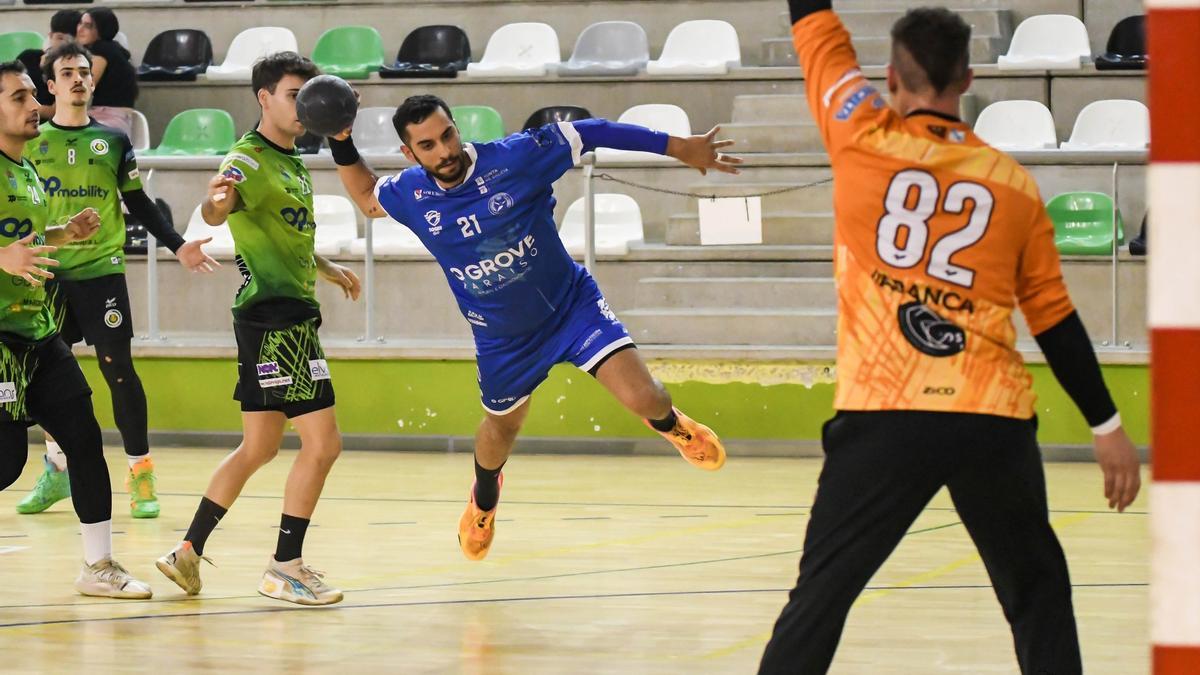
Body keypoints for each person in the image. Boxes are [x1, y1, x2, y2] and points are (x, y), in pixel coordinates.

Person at [757, 3, 1143, 674]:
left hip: (884, 412)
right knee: (1038, 593)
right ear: (967, 79)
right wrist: (1105, 422)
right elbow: (1053, 317)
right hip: (988, 415)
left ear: (890, 78)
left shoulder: (857, 130)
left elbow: (816, 29)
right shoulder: (1011, 184)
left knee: (820, 596)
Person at [328, 95, 739, 562]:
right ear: (410, 154)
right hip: (504, 340)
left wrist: (679, 147)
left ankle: (673, 426)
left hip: (571, 309)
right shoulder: (410, 194)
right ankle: (484, 502)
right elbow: (365, 196)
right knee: (499, 433)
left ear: (457, 128)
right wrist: (340, 140)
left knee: (650, 399)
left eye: (447, 135)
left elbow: (595, 131)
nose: (444, 150)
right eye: (428, 145)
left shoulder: (517, 156)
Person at [155, 52, 360, 607]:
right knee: (324, 442)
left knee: (260, 445)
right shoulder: (248, 156)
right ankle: (284, 567)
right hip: (278, 320)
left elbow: (282, 231)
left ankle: (187, 551)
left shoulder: (292, 160)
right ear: (264, 97)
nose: (305, 106)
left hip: (271, 315)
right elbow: (221, 205)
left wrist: (326, 266)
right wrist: (213, 205)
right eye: (295, 94)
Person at [14, 41, 217, 519]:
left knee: (118, 370)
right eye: (68, 73)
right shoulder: (31, 142)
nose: (79, 79)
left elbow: (139, 203)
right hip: (46, 274)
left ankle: (140, 472)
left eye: (84, 71)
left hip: (101, 272)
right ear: (51, 85)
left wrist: (178, 244)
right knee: (44, 375)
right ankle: (57, 471)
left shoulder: (114, 140)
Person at [0, 59, 151, 598]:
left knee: (85, 440)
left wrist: (64, 233)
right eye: (19, 98)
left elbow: (28, 243)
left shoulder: (26, 170)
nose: (33, 105)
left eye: (29, 96)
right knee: (6, 461)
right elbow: (8, 251)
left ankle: (98, 567)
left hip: (37, 333)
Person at [74, 8, 137, 134]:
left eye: (88, 26)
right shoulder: (114, 48)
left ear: (102, 29)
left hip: (109, 119)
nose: (80, 29)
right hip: (110, 117)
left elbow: (85, 86)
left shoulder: (101, 50)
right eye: (80, 23)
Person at [16, 9, 80, 120]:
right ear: (50, 36)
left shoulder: (78, 69)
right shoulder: (28, 58)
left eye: (71, 40)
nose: (64, 44)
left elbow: (58, 111)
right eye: (59, 38)